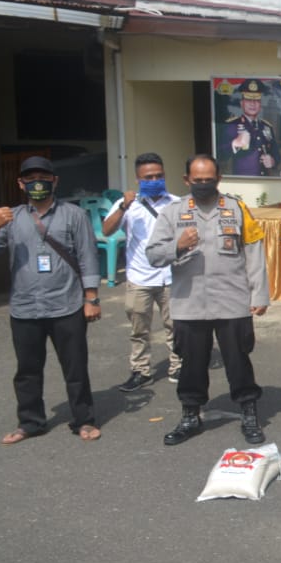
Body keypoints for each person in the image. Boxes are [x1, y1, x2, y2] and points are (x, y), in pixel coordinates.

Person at [146, 154, 269, 447]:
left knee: (238, 360)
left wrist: (259, 293)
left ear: (219, 178)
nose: (203, 185)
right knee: (192, 363)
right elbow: (152, 255)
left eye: (209, 180)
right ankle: (191, 414)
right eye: (197, 180)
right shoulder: (172, 213)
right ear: (187, 179)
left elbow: (254, 251)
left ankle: (249, 412)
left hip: (232, 300)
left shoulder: (236, 208)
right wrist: (177, 246)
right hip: (189, 304)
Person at [0, 156, 102, 444]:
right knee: (27, 371)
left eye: (43, 176)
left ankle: (84, 420)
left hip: (67, 305)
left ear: (55, 181)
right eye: (30, 178)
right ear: (21, 183)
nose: (36, 182)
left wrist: (91, 298)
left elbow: (88, 257)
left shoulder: (74, 215)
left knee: (75, 367)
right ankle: (30, 422)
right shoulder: (10, 217)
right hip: (25, 308)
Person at [102, 152, 181, 391]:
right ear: (138, 179)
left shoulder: (176, 203)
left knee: (176, 326)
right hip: (139, 277)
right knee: (139, 329)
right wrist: (124, 207)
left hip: (171, 276)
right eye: (149, 177)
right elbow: (107, 230)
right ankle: (141, 371)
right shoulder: (127, 204)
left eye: (159, 175)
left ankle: (178, 365)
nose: (155, 179)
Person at [221, 78, 280, 177]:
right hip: (242, 183)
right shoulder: (232, 125)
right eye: (248, 100)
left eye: (256, 100)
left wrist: (273, 161)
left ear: (260, 104)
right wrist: (235, 143)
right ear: (242, 103)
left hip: (266, 180)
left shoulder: (267, 127)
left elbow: (276, 154)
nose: (252, 104)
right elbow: (220, 155)